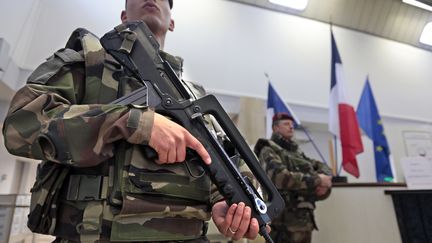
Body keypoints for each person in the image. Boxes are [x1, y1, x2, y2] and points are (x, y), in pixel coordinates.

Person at [2, 0, 263, 242]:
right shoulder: (88, 62)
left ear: (172, 22)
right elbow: (21, 124)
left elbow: (226, 159)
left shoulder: (195, 95)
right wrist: (133, 122)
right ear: (124, 16)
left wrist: (227, 201)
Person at [254, 112, 333, 243]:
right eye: (286, 124)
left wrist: (326, 180)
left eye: (292, 124)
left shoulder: (296, 152)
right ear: (275, 128)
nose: (291, 127)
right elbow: (280, 178)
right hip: (283, 223)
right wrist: (318, 180)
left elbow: (321, 166)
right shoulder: (268, 150)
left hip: (303, 220)